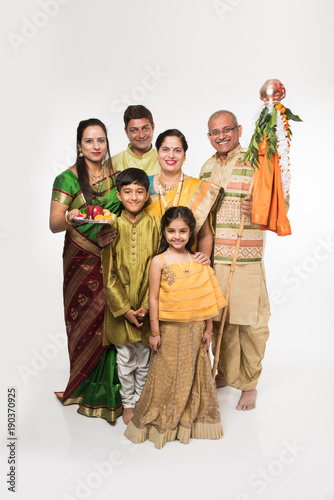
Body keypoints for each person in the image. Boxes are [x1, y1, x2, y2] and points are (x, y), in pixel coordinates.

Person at [124, 206, 226, 449]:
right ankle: (163, 420)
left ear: (191, 233)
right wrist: (155, 332)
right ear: (164, 232)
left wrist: (209, 330)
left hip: (195, 330)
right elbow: (154, 299)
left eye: (183, 231)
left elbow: (206, 300)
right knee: (166, 373)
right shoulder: (159, 261)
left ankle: (189, 420)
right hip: (169, 330)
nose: (177, 236)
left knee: (194, 373)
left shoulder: (198, 262)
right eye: (171, 231)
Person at [200, 110, 275, 411]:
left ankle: (249, 384)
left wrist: (257, 206)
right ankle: (226, 373)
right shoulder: (205, 168)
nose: (221, 136)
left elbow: (280, 202)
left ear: (239, 130)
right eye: (215, 132)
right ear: (209, 137)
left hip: (246, 255)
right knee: (222, 322)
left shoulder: (257, 161)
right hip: (215, 258)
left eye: (226, 129)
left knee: (251, 323)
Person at [50, 118, 122, 423]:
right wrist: (72, 216)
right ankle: (82, 386)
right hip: (80, 260)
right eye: (89, 141)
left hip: (113, 259)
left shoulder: (117, 178)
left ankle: (113, 390)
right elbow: (54, 224)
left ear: (107, 143)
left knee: (112, 320)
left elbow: (130, 212)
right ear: (80, 146)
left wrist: (116, 230)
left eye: (101, 140)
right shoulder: (67, 179)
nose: (96, 146)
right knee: (83, 319)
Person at [101, 168, 161, 425]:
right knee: (125, 359)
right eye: (128, 192)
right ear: (118, 194)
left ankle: (141, 400)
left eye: (139, 191)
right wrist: (125, 310)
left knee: (146, 357)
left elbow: (160, 266)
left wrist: (147, 306)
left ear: (147, 195)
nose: (134, 197)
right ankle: (128, 403)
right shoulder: (110, 227)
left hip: (148, 304)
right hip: (121, 307)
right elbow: (108, 273)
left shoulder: (156, 225)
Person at [145, 129, 222, 260]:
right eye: (165, 149)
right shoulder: (144, 186)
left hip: (186, 267)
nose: (171, 155)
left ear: (184, 155)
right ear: (157, 153)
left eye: (177, 150)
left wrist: (204, 261)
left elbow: (204, 234)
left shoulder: (197, 188)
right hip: (149, 264)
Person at [111, 105, 160, 175]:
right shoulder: (112, 163)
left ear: (153, 127)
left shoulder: (166, 161)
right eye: (134, 130)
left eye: (145, 128)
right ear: (126, 132)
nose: (141, 135)